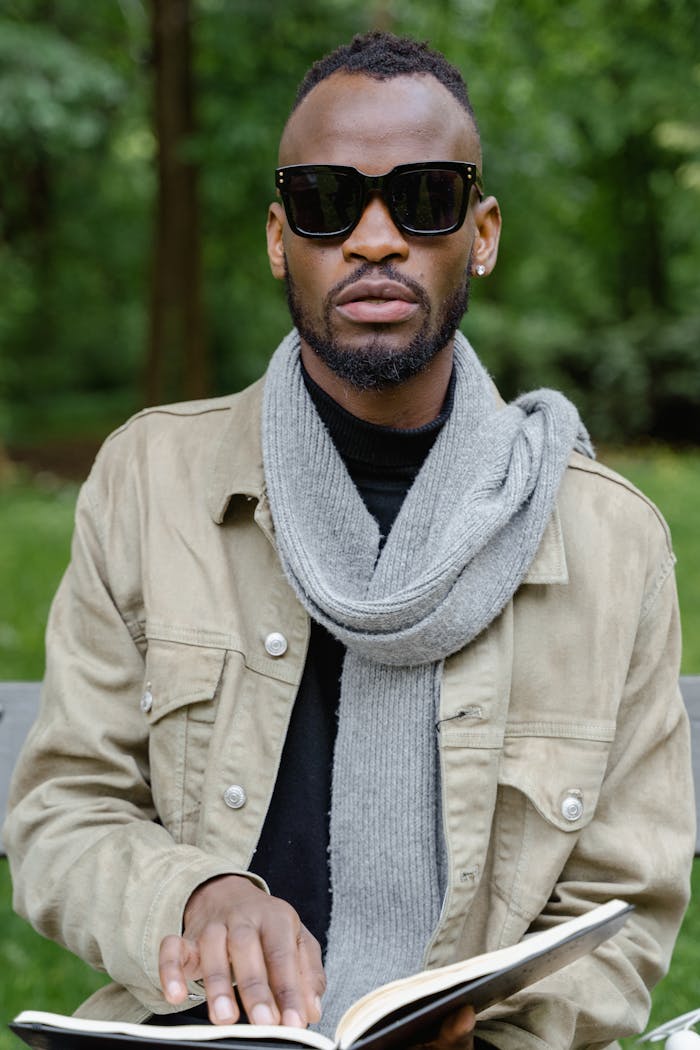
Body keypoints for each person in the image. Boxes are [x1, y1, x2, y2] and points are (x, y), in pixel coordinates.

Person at [4, 31, 695, 1050]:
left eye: (424, 197)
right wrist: (193, 902)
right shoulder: (149, 484)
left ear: (484, 232)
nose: (375, 238)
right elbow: (65, 810)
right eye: (330, 202)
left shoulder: (609, 540)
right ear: (282, 239)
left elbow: (619, 906)